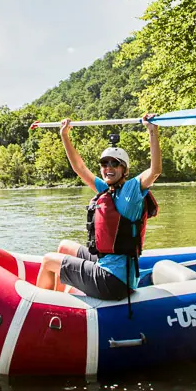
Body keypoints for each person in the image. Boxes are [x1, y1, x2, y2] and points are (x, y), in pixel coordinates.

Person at [35, 115, 161, 300]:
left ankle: (43, 307)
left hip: (114, 281)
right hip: (108, 266)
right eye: (104, 164)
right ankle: (60, 300)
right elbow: (80, 168)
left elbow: (155, 170)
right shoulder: (106, 190)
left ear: (125, 170)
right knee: (63, 247)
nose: (108, 168)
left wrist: (152, 131)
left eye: (115, 164)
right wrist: (65, 135)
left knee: (48, 261)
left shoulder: (132, 189)